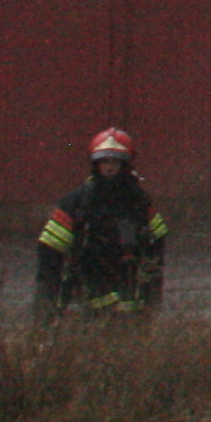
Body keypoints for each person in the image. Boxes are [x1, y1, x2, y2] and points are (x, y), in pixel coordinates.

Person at [36, 129, 168, 315]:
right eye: (104, 161)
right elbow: (50, 249)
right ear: (95, 164)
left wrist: (151, 290)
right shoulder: (77, 202)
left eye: (114, 161)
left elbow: (157, 242)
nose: (109, 167)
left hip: (132, 292)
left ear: (125, 164)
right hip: (91, 290)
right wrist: (49, 298)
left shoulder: (139, 200)